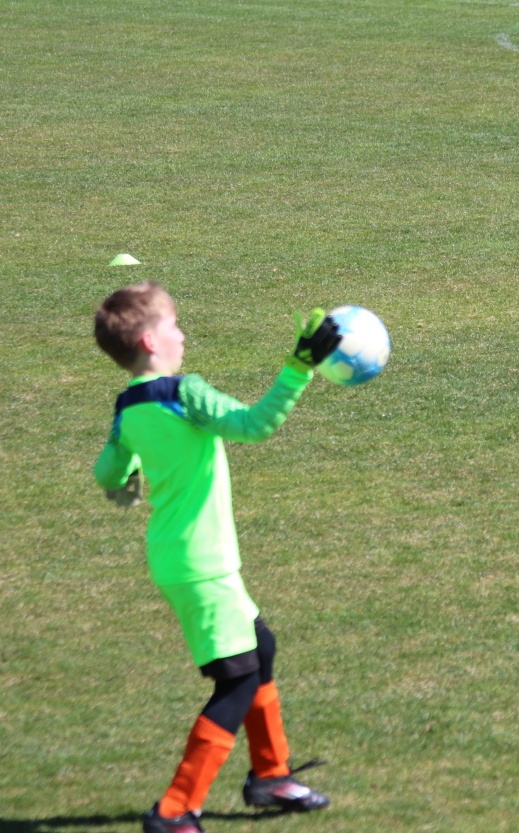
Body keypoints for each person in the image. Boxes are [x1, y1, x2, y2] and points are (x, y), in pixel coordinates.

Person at [92, 281, 341, 833]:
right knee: (237, 680)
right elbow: (254, 425)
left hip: (176, 560)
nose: (182, 334)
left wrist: (129, 474)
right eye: (174, 325)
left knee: (260, 647)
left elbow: (108, 471)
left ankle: (270, 775)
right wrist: (299, 366)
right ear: (150, 340)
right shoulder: (186, 393)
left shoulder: (128, 405)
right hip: (203, 566)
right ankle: (175, 811)